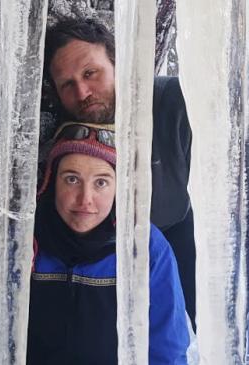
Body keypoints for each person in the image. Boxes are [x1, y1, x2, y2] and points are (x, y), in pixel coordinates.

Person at [42, 18, 196, 330]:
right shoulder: (61, 137)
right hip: (100, 261)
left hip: (176, 232)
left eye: (90, 73)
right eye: (67, 85)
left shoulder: (175, 105)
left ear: (118, 64)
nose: (83, 92)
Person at [27, 123, 189, 365]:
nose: (85, 199)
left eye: (101, 183)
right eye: (72, 179)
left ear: (118, 190)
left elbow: (166, 351)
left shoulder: (145, 248)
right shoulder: (25, 243)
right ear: (51, 184)